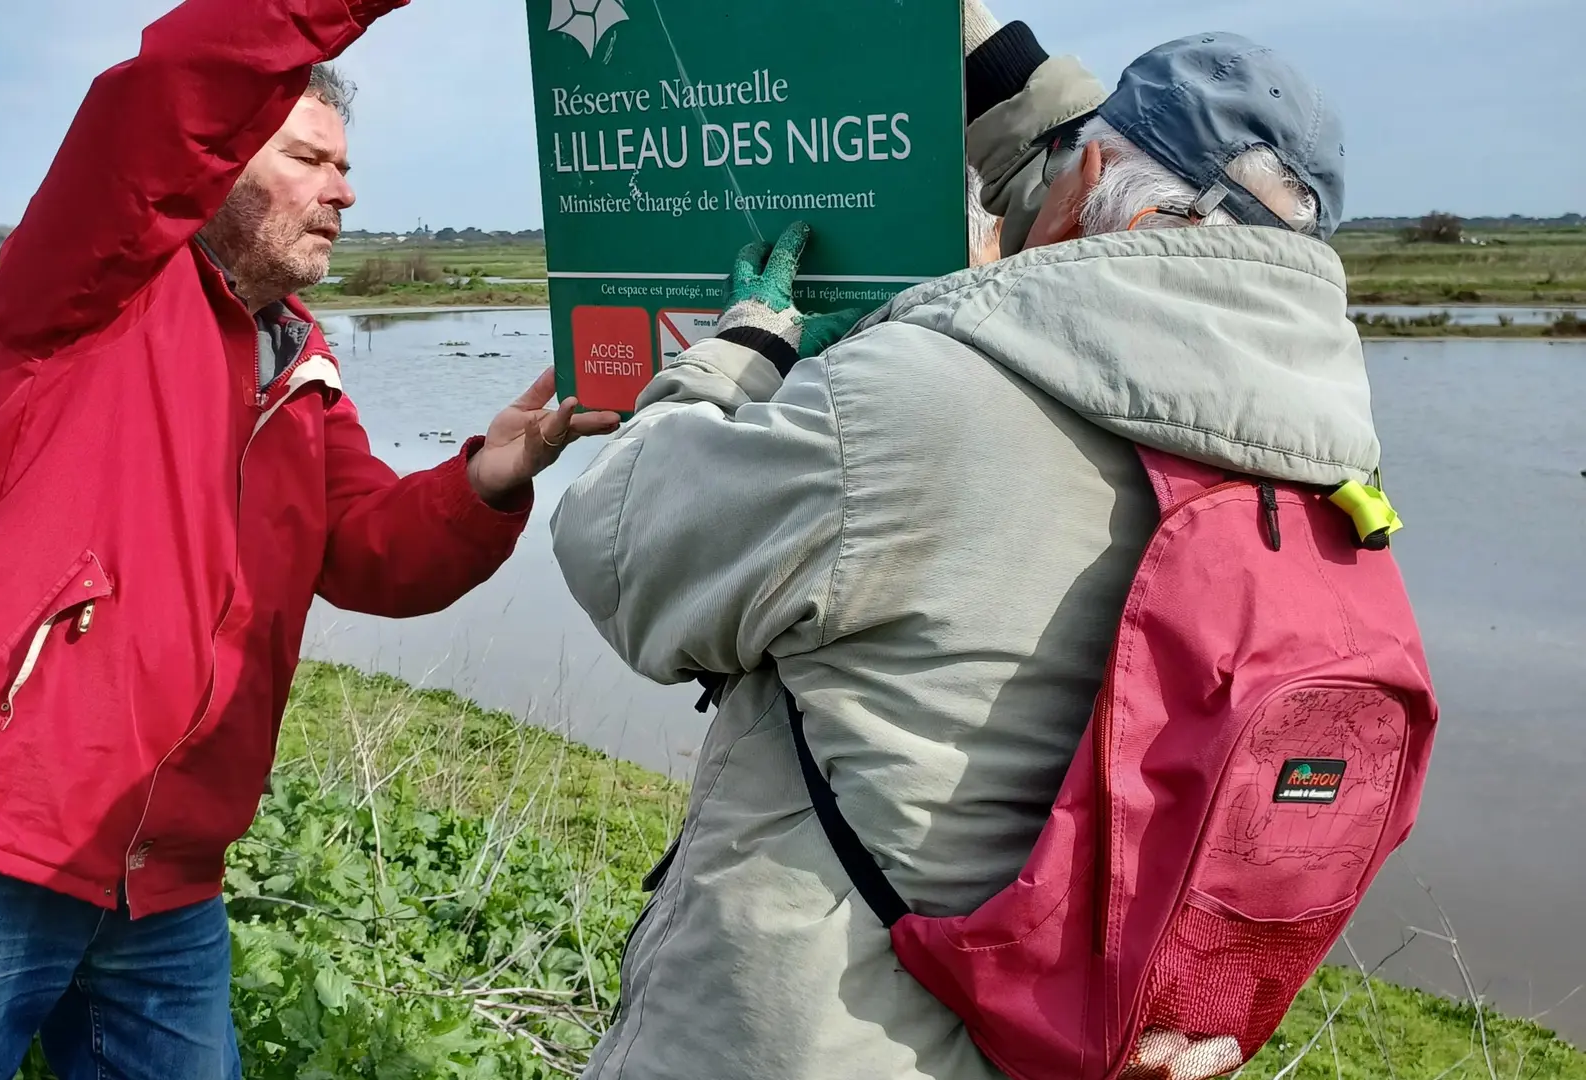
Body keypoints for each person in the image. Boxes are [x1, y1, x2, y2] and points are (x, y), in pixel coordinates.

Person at [550, 7, 1374, 1078]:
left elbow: (614, 545)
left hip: (816, 1036)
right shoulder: (1314, 448)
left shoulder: (918, 403)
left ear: (1103, 194)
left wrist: (733, 360)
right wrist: (961, 27)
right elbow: (1097, 196)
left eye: (1080, 164)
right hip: (1070, 1038)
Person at [0, 1, 619, 1076]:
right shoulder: (91, 284)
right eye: (308, 159)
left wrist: (493, 472)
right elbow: (168, 91)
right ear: (217, 162)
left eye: (344, 165)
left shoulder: (297, 364)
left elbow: (368, 547)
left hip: (164, 877)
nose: (346, 190)